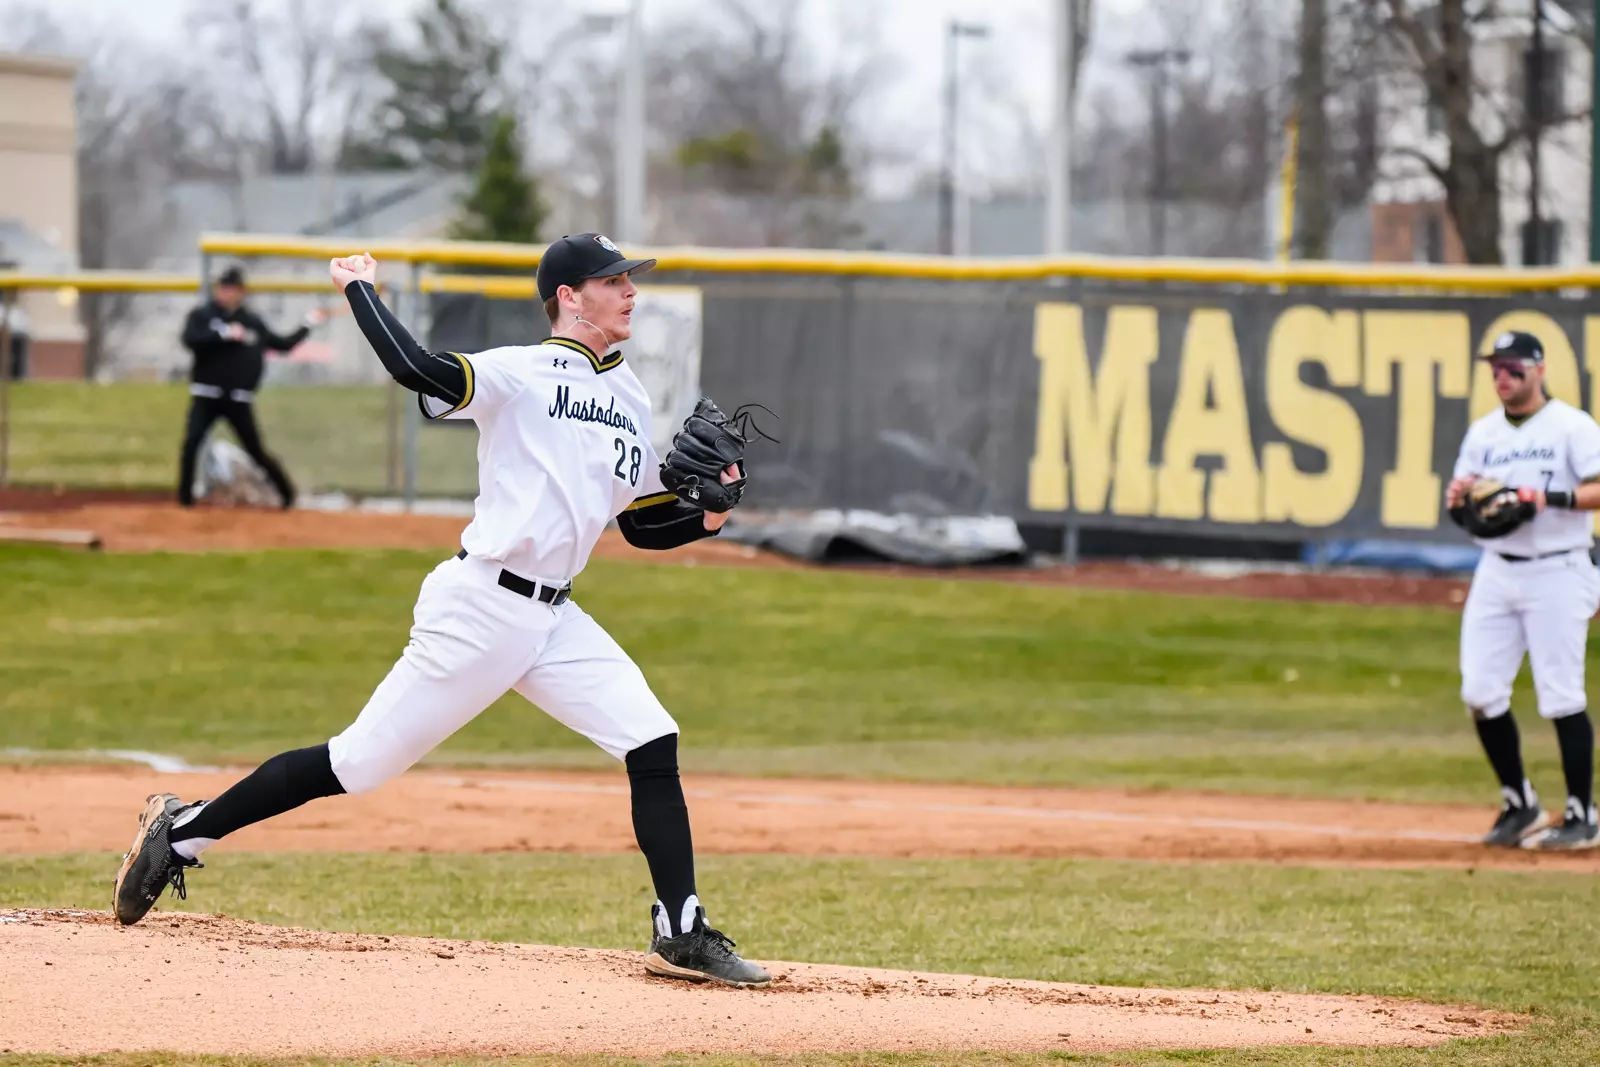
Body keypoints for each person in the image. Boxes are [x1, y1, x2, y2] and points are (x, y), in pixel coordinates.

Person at [114, 233, 773, 987]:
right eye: (613, 279)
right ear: (568, 294)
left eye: (630, 279)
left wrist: (710, 514)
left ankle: (681, 928)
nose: (630, 291)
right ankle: (185, 832)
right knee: (357, 764)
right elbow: (417, 369)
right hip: (482, 608)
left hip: (555, 620)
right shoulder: (517, 371)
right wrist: (361, 289)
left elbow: (636, 523)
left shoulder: (630, 396)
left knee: (651, 736)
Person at [1446, 330, 1600, 851]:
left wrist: (1542, 497)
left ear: (1538, 369)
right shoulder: (1484, 433)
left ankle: (1582, 813)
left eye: (1512, 368)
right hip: (1498, 568)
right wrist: (1460, 500)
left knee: (1561, 694)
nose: (1502, 377)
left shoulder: (1572, 427)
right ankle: (1520, 802)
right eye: (1494, 369)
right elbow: (1466, 496)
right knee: (1480, 692)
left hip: (1559, 568)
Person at [177, 265, 326, 509]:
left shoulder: (251, 322)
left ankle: (286, 494)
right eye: (223, 288)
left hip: (239, 398)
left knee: (255, 450)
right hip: (206, 394)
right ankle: (185, 499)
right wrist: (222, 334)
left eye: (231, 289)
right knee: (192, 442)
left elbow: (283, 344)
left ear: (240, 292)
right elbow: (190, 339)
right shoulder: (203, 316)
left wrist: (308, 324)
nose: (226, 293)